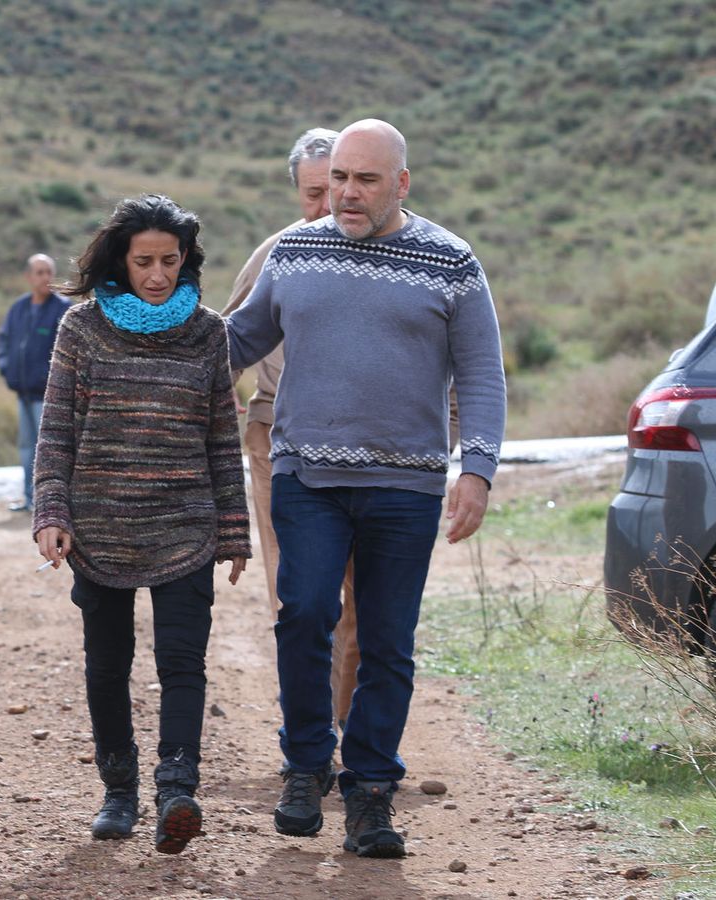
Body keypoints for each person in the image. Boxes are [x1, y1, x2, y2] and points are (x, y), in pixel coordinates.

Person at [226, 120, 505, 858]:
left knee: (386, 639)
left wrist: (477, 470)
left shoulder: (452, 263)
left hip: (405, 487)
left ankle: (371, 793)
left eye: (365, 180)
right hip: (307, 477)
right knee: (304, 614)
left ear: (401, 184)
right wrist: (149, 337)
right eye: (339, 178)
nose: (346, 194)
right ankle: (305, 765)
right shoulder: (293, 251)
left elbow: (482, 372)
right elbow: (237, 340)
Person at [33, 194, 251, 855]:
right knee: (107, 665)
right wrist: (51, 512)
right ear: (120, 261)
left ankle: (177, 788)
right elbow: (57, 429)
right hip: (98, 528)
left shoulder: (209, 333)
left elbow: (223, 436)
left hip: (186, 524)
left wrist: (234, 529)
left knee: (183, 662)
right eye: (144, 262)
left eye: (169, 261)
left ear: (186, 261)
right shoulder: (81, 329)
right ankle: (119, 791)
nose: (157, 275)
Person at [220, 127, 366, 730]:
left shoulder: (394, 254)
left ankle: (344, 722)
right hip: (277, 440)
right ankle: (309, 734)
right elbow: (227, 341)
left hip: (369, 450)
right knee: (297, 594)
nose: (327, 205)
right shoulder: (278, 253)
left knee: (364, 598)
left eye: (336, 187)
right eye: (313, 193)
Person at [0, 253, 72, 512]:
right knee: (27, 448)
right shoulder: (19, 308)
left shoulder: (63, 309)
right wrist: (6, 369)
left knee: (50, 450)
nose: (45, 277)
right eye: (39, 272)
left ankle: (49, 503)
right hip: (24, 393)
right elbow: (4, 340)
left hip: (50, 397)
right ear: (28, 277)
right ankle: (30, 499)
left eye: (49, 272)